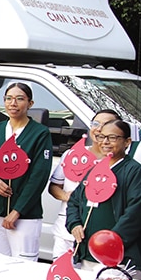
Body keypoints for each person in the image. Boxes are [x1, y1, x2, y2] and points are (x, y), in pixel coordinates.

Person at [66, 119, 141, 270]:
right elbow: (75, 201)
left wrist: (110, 242)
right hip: (88, 249)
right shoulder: (95, 169)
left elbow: (135, 213)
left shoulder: (134, 171)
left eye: (112, 137)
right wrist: (74, 224)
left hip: (116, 255)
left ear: (127, 142)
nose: (105, 142)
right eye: (101, 137)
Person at [0, 82, 52, 260]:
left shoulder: (40, 133)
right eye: (9, 99)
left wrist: (17, 210)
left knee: (23, 265)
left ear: (30, 103)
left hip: (24, 215)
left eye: (20, 99)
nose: (13, 103)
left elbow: (39, 176)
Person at [48, 109, 120, 260]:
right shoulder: (72, 154)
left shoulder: (118, 163)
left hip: (100, 234)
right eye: (96, 123)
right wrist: (68, 197)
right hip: (66, 229)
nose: (99, 128)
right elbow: (54, 186)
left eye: (106, 124)